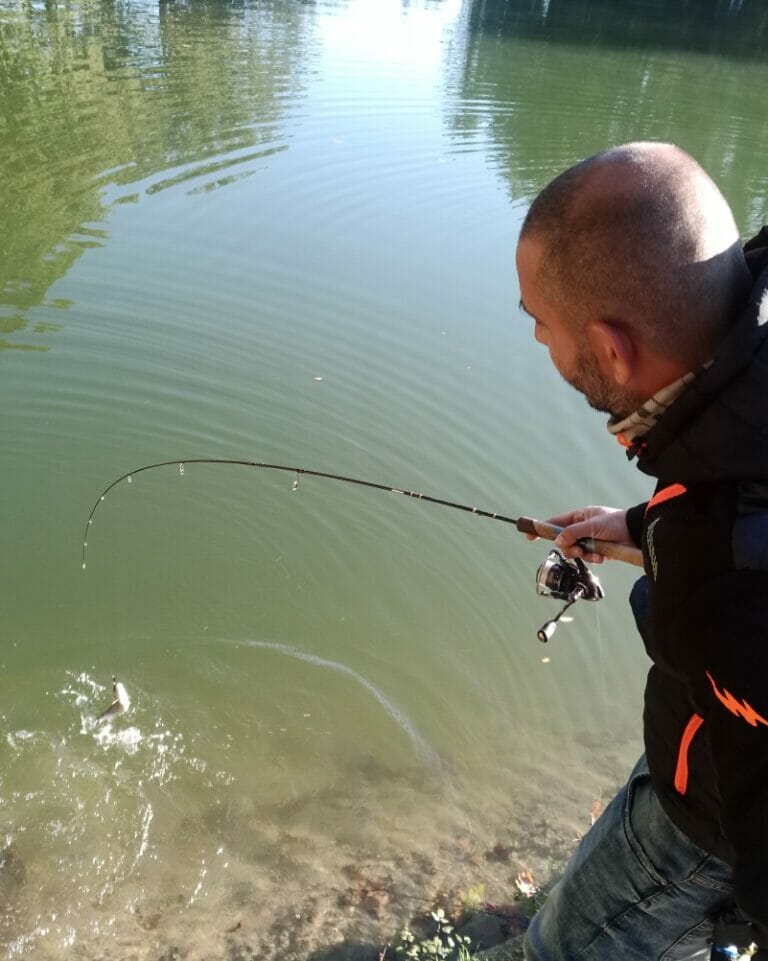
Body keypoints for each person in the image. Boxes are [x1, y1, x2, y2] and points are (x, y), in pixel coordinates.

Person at [514, 142, 768, 961]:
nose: (542, 348)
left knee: (563, 947)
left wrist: (688, 551)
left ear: (614, 349)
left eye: (541, 326)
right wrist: (648, 525)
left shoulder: (718, 592)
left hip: (704, 824)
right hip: (707, 735)